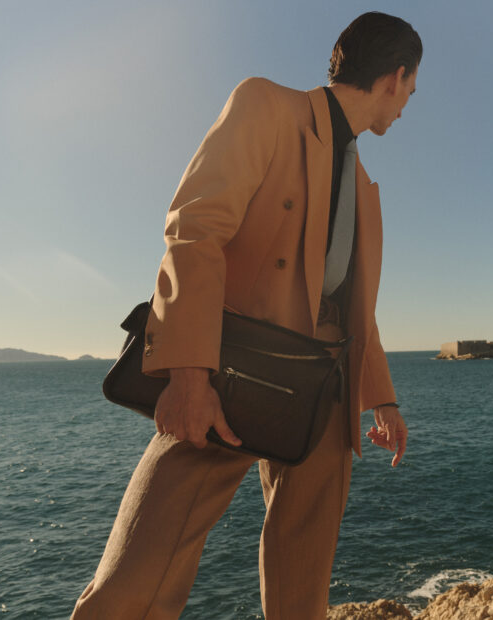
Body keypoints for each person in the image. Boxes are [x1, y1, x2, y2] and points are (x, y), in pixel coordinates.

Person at [72, 11, 421, 620]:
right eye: (411, 91)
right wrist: (188, 374)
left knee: (302, 588)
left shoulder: (365, 186)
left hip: (326, 386)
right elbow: (195, 230)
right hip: (228, 370)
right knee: (138, 575)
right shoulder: (266, 105)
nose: (406, 106)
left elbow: (355, 309)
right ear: (395, 77)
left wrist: (382, 401)